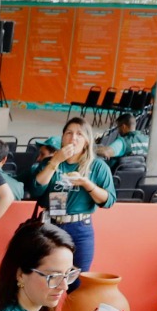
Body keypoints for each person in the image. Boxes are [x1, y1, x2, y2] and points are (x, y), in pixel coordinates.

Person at [25, 115, 115, 272]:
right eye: (69, 133)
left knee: (77, 283)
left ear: (87, 141)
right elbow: (36, 189)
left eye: (79, 134)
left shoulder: (98, 166)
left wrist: (87, 184)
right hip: (51, 225)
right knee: (48, 277)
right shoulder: (50, 162)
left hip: (80, 228)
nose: (73, 138)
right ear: (62, 137)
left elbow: (109, 201)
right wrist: (55, 162)